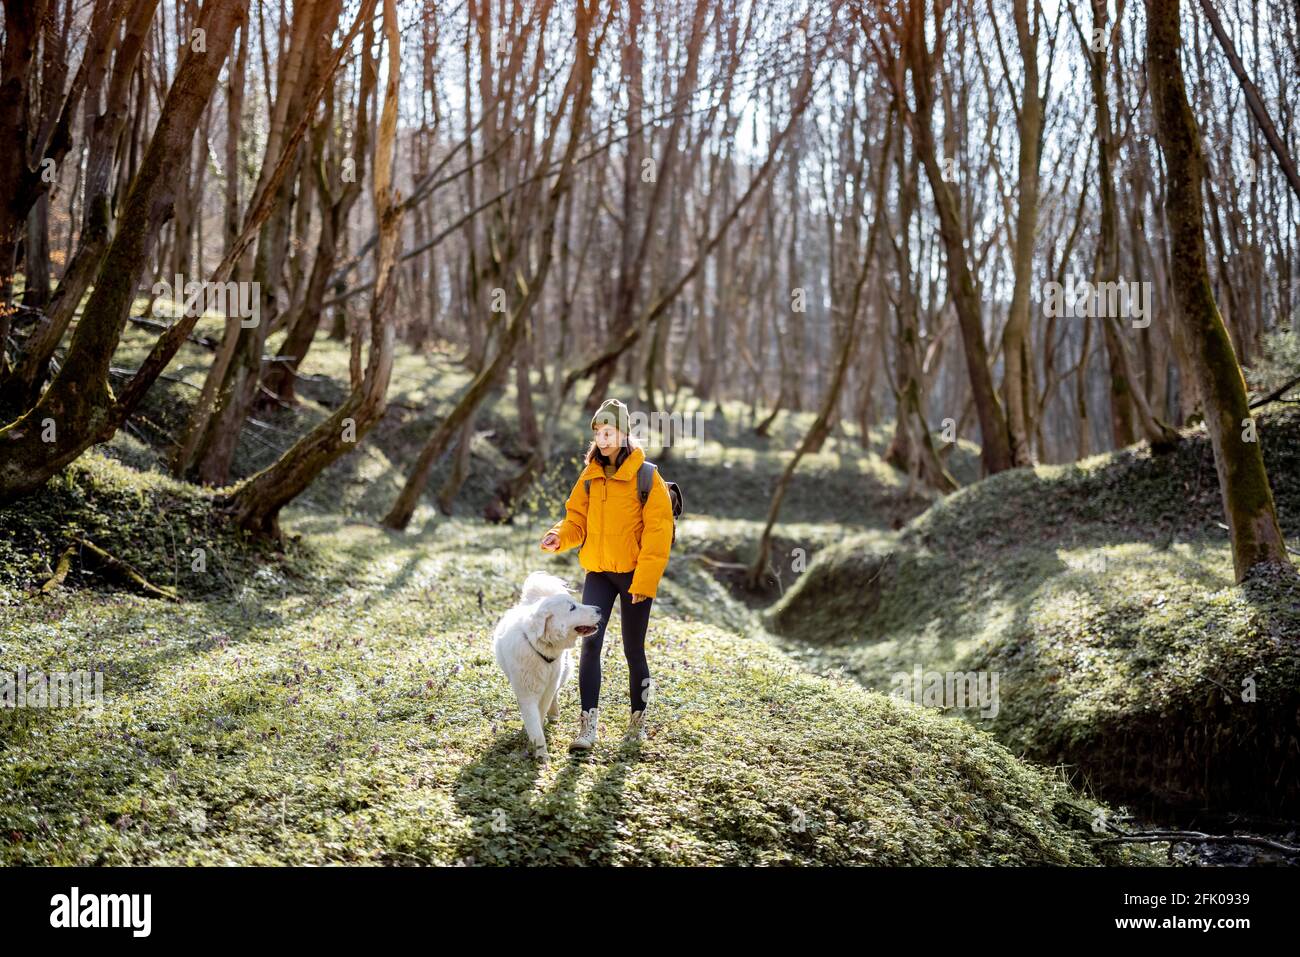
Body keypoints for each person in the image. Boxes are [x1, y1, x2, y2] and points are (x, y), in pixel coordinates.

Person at [540, 398, 674, 750]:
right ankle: (587, 727)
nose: (602, 438)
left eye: (609, 431)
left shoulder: (647, 477)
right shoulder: (591, 476)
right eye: (598, 432)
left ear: (624, 433)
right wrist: (560, 536)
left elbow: (659, 535)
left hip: (633, 576)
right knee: (589, 645)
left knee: (634, 650)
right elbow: (576, 520)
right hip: (598, 572)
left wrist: (645, 582)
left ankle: (638, 723)